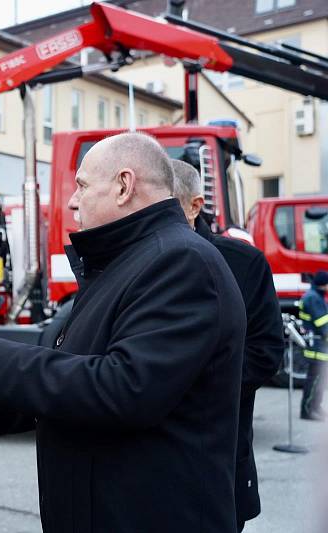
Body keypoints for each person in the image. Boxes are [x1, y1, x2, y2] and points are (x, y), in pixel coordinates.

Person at [0, 132, 246, 533]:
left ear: (124, 186)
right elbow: (75, 374)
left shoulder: (179, 263)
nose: (72, 201)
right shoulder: (130, 262)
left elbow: (124, 388)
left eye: (82, 185)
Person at [172, 159, 284, 531]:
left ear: (194, 206)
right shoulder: (128, 262)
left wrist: (191, 389)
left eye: (167, 204)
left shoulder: (243, 263)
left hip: (216, 455)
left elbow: (265, 353)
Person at [299, 270, 328, 420]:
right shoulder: (314, 298)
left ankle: (315, 407)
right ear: (324, 284)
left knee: (319, 381)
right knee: (315, 381)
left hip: (319, 348)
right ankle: (308, 410)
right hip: (317, 349)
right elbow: (323, 325)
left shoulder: (314, 296)